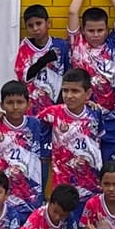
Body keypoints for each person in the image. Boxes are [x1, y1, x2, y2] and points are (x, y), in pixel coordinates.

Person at [68, 0, 115, 169]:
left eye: (100, 30)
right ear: (83, 30)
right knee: (85, 165)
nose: (96, 35)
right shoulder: (77, 44)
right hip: (83, 116)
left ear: (107, 30)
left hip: (112, 117)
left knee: (110, 166)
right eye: (91, 31)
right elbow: (72, 12)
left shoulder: (114, 45)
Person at [36, 68, 104, 196]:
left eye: (75, 91)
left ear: (88, 94)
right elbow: (26, 124)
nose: (69, 95)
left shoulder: (96, 112)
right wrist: (1, 116)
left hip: (91, 182)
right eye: (65, 90)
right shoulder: (52, 113)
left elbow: (99, 142)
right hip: (63, 181)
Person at [0, 79, 48, 217]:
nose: (15, 107)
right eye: (10, 103)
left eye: (20, 102)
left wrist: (88, 105)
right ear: (1, 105)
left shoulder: (37, 125)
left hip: (30, 197)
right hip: (1, 197)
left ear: (28, 104)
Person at [14, 3, 71, 111]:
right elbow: (25, 77)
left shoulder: (61, 45)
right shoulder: (24, 48)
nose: (35, 28)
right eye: (30, 26)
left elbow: (69, 73)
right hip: (32, 107)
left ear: (48, 23)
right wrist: (44, 60)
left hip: (58, 106)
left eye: (38, 23)